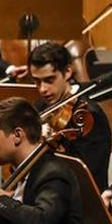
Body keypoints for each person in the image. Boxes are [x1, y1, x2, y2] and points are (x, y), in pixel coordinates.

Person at [29, 41, 111, 192]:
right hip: (49, 192)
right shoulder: (42, 105)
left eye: (49, 80)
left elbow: (86, 174)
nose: (42, 89)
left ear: (67, 72)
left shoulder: (88, 116)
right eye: (37, 81)